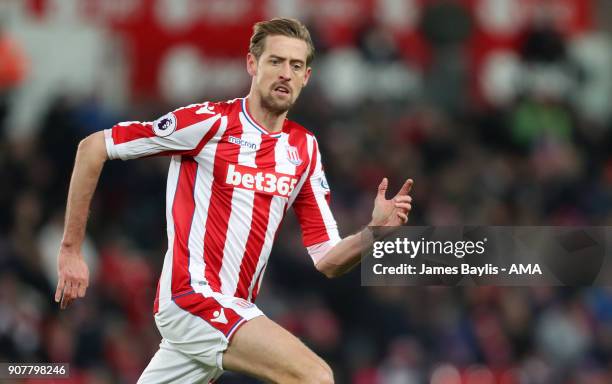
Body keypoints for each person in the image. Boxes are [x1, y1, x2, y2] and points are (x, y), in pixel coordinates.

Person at [55, 18, 413, 383]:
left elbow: (328, 260)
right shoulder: (210, 122)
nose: (285, 74)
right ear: (252, 64)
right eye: (275, 61)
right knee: (315, 377)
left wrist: (374, 233)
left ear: (307, 76)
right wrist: (71, 249)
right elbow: (94, 147)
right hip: (192, 299)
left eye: (296, 65)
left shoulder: (304, 149)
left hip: (231, 309)